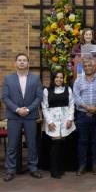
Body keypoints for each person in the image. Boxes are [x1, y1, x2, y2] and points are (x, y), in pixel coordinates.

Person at [2, 53, 43, 182]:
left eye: (24, 60)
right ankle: (10, 170)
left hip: (30, 115)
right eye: (19, 60)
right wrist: (17, 109)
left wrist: (28, 109)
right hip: (14, 116)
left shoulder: (35, 79)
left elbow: (39, 97)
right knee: (12, 144)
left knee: (31, 143)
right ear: (15, 63)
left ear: (28, 63)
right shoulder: (8, 78)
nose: (22, 62)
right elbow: (5, 97)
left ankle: (33, 168)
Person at [42, 72, 75, 179]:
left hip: (65, 120)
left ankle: (60, 168)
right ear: (53, 78)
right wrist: (49, 122)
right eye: (57, 77)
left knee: (62, 145)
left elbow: (71, 104)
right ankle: (54, 170)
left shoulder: (68, 89)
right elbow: (44, 107)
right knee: (55, 145)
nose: (59, 79)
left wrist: (70, 119)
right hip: (53, 121)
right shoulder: (47, 91)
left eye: (61, 77)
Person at [73, 57, 96, 176]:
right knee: (82, 141)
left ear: (94, 67)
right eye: (85, 66)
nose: (87, 68)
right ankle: (82, 166)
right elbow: (76, 96)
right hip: (82, 115)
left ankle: (95, 166)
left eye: (89, 66)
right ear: (83, 68)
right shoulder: (78, 81)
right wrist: (87, 107)